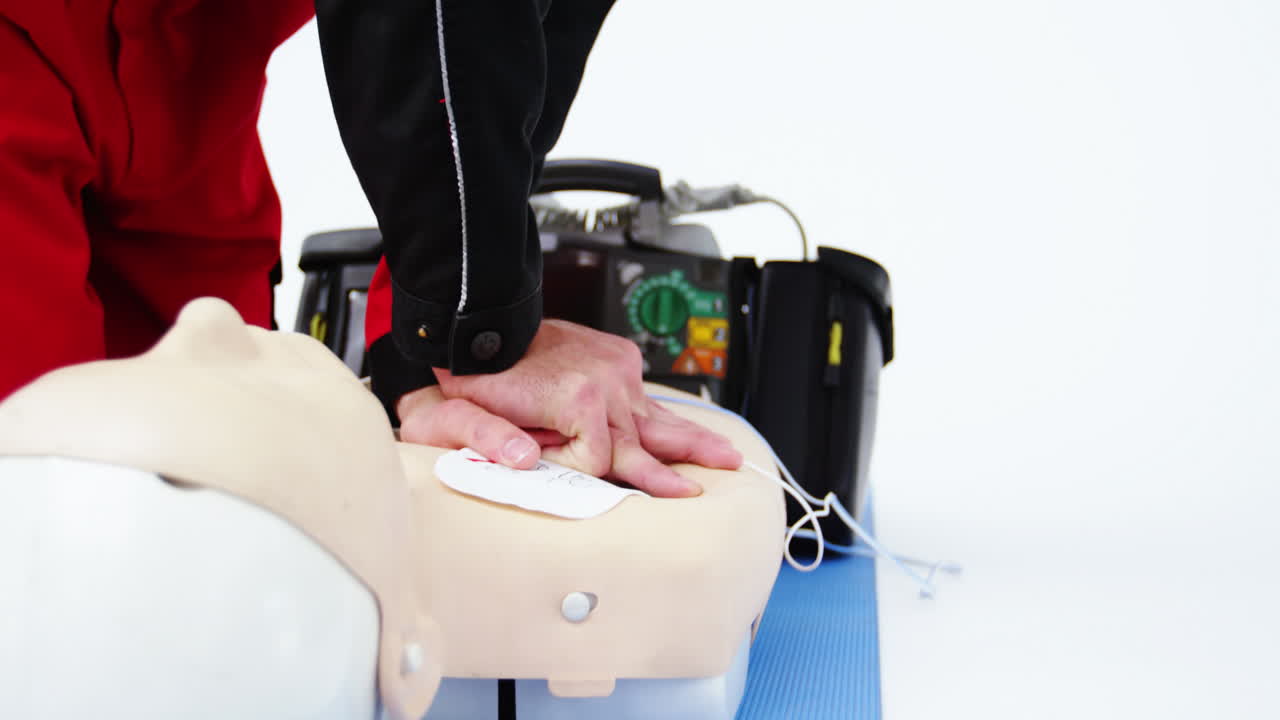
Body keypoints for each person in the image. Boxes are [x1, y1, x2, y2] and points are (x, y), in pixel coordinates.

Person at [0, 0, 740, 496]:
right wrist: (472, 327)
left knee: (230, 484)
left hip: (189, 69)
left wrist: (423, 346)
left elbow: (515, 46)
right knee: (41, 497)